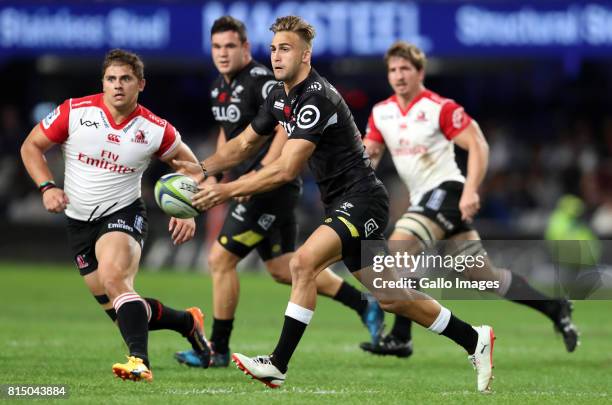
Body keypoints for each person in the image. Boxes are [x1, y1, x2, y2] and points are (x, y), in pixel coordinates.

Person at [175, 16, 496, 393]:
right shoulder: (279, 95)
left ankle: (277, 364)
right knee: (392, 298)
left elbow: (285, 169)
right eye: (274, 48)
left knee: (301, 263)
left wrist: (225, 191)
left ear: (306, 55)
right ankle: (475, 339)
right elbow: (243, 144)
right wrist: (201, 169)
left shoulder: (316, 97)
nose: (277, 56)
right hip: (342, 203)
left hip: (362, 200)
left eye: (286, 49)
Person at [174, 16, 384, 369]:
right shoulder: (220, 89)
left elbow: (284, 142)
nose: (223, 54)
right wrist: (205, 169)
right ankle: (365, 303)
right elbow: (235, 139)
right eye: (216, 47)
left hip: (270, 188)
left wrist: (242, 182)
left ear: (244, 48)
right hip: (257, 185)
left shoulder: (264, 82)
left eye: (230, 46)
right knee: (284, 268)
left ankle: (221, 349)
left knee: (222, 259)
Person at [360, 41, 579, 358]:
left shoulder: (439, 107)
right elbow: (371, 154)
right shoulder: (382, 113)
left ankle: (400, 336)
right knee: (484, 277)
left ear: (420, 72)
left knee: (397, 251)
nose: (398, 75)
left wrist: (471, 189)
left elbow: (477, 144)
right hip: (424, 200)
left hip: (447, 191)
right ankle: (555, 306)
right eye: (393, 69)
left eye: (405, 68)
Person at [20, 49, 211, 382]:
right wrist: (47, 187)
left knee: (115, 280)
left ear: (141, 84)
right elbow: (30, 146)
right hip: (78, 221)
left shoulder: (155, 129)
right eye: (111, 79)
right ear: (103, 83)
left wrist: (188, 207)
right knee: (122, 308)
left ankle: (139, 361)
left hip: (123, 214)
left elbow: (195, 169)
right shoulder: (75, 112)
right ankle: (187, 322)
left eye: (126, 79)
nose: (117, 86)